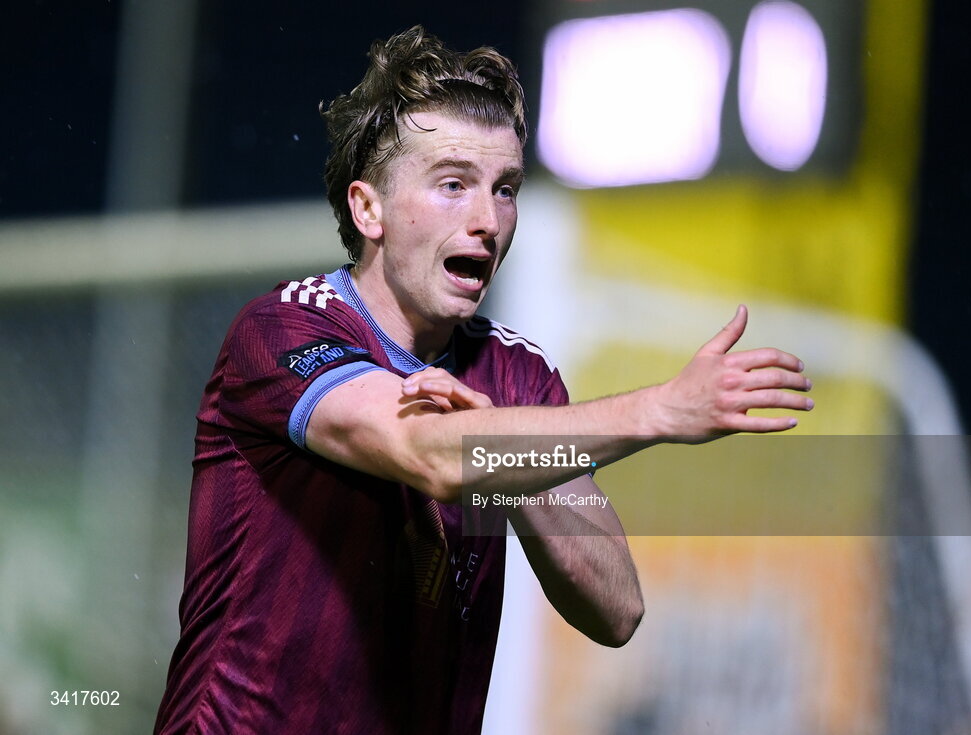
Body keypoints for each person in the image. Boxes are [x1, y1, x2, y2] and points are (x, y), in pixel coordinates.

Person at [154, 25, 813, 735]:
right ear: (367, 208)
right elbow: (431, 455)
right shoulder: (283, 328)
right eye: (452, 184)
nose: (487, 220)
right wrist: (658, 410)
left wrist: (502, 461)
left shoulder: (517, 377)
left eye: (505, 189)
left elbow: (616, 607)